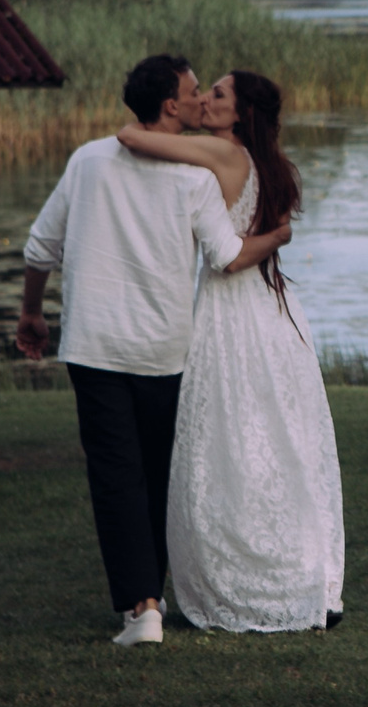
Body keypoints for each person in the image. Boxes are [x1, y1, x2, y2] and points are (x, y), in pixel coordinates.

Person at [19, 55, 292, 647]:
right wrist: (278, 235)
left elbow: (40, 247)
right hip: (164, 350)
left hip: (93, 344)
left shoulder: (88, 160)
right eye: (196, 92)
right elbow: (225, 256)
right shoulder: (194, 179)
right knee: (155, 474)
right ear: (170, 105)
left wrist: (32, 311)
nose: (200, 100)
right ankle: (152, 596)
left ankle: (142, 608)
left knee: (114, 476)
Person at [114, 70, 344, 633]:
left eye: (216, 95)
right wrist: (279, 237)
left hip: (232, 315)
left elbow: (132, 138)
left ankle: (246, 580)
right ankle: (304, 569)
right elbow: (273, 233)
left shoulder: (221, 153)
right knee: (281, 440)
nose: (204, 101)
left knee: (232, 440)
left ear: (238, 114)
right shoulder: (272, 165)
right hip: (280, 318)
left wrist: (152, 121)